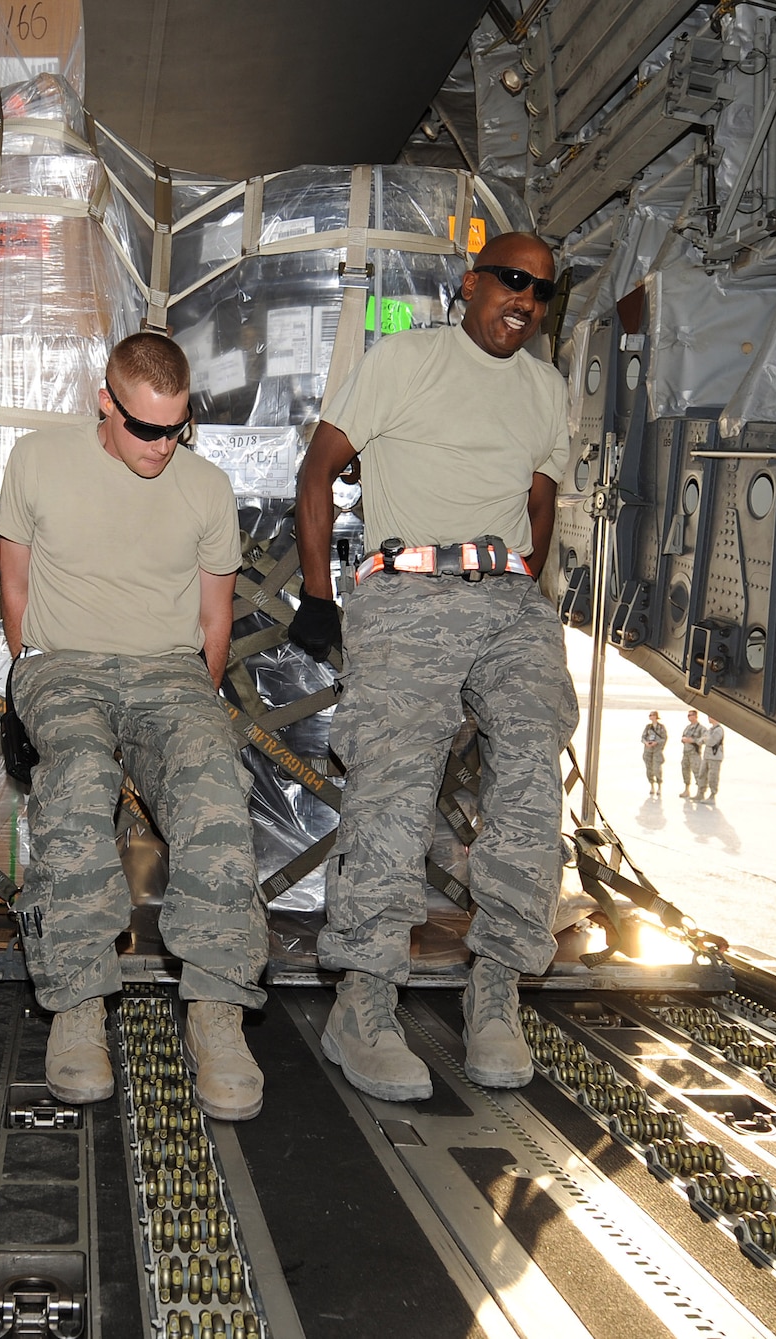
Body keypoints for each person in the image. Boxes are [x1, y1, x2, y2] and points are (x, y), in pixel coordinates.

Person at [286, 232, 577, 1102]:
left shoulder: (545, 388)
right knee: (394, 782)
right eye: (512, 281)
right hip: (408, 590)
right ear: (472, 283)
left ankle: (495, 995)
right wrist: (317, 595)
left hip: (507, 597)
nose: (524, 300)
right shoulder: (404, 361)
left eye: (542, 292)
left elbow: (540, 496)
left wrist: (526, 582)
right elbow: (319, 469)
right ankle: (364, 1006)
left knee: (531, 774)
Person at [0, 332, 269, 1122]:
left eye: (176, 428)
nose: (162, 445)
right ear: (105, 405)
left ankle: (216, 1011)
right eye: (144, 428)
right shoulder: (38, 462)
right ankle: (79, 1005)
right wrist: (31, 676)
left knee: (215, 783)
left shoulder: (206, 487)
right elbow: (15, 588)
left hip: (170, 672)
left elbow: (216, 618)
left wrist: (191, 709)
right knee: (77, 777)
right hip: (65, 664)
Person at [699, 715, 726, 801]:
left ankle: (712, 795)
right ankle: (701, 792)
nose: (709, 718)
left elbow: (711, 741)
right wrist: (705, 739)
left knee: (712, 777)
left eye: (710, 716)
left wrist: (705, 739)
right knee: (702, 774)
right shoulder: (710, 730)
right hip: (707, 756)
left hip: (715, 757)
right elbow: (700, 740)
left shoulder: (718, 730)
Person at [680, 709, 705, 797]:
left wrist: (693, 740)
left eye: (691, 715)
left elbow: (704, 739)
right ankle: (686, 790)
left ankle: (700, 792)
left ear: (695, 716)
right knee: (685, 770)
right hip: (686, 753)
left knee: (697, 772)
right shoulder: (688, 727)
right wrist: (684, 740)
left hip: (694, 753)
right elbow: (683, 736)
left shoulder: (701, 728)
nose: (689, 717)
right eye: (688, 715)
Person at [641, 711, 667, 796]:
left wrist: (656, 742)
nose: (650, 717)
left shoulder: (661, 727)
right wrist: (646, 743)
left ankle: (659, 786)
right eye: (650, 715)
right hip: (648, 751)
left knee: (657, 769)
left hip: (657, 751)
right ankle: (652, 786)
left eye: (651, 715)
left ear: (655, 716)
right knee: (649, 770)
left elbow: (664, 738)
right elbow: (643, 737)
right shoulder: (648, 727)